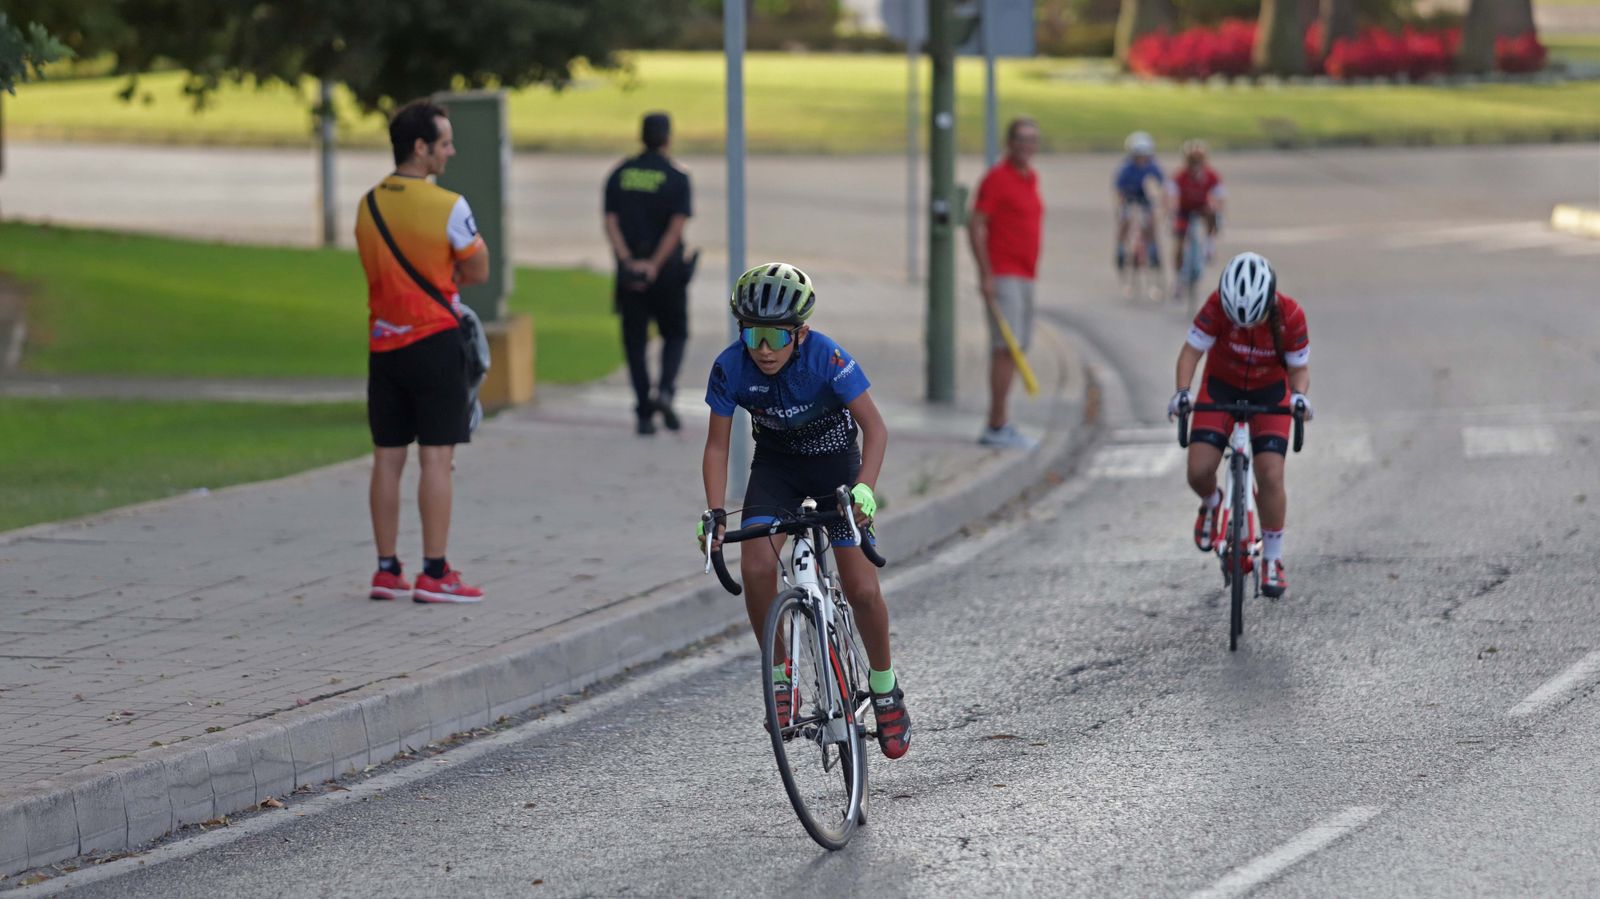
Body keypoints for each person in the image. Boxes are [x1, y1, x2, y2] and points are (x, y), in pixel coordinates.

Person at [696, 263, 912, 760]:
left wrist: (864, 491)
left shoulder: (827, 358)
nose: (764, 348)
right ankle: (780, 676)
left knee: (860, 587)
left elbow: (876, 431)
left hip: (836, 469)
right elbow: (715, 448)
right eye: (753, 334)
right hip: (777, 470)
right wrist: (714, 511)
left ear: (801, 331)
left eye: (775, 335)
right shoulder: (732, 367)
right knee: (754, 564)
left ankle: (884, 688)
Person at [355, 100, 488, 604]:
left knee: (387, 458)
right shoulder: (449, 206)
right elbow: (478, 270)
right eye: (445, 143)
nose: (450, 151)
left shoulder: (366, 204)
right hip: (434, 342)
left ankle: (387, 569)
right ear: (421, 147)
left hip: (383, 344)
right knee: (436, 458)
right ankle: (435, 572)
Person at [1167, 252, 1312, 598]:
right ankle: (1213, 502)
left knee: (1271, 475)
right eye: (1238, 320)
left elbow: (1299, 369)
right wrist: (1183, 392)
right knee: (1199, 470)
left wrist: (1299, 397)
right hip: (1221, 384)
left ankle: (1272, 559)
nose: (1246, 327)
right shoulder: (1216, 305)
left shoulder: (1290, 315)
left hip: (1270, 391)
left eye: (1255, 319)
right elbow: (1191, 352)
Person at [603, 112, 694, 436]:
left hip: (630, 274)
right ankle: (666, 391)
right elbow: (676, 225)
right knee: (676, 334)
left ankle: (643, 412)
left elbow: (611, 221)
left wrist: (628, 260)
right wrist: (655, 264)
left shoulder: (620, 173)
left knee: (635, 342)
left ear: (641, 136)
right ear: (668, 137)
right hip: (667, 272)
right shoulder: (676, 177)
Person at [967, 117, 1043, 450]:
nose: (1027, 146)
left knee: (1016, 349)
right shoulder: (997, 179)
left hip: (1026, 274)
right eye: (1022, 139)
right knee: (1005, 350)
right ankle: (996, 423)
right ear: (1010, 142)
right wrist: (985, 274)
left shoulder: (1030, 178)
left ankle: (1001, 421)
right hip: (1004, 274)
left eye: (1033, 140)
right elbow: (974, 224)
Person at [1170, 139, 1225, 290]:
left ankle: (1209, 243)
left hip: (1202, 209)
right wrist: (1172, 210)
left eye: (1198, 160)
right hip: (1184, 210)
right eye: (1192, 161)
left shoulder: (1211, 176)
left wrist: (1216, 208)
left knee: (1212, 213)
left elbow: (1220, 196)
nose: (1195, 164)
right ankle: (1179, 279)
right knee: (1179, 245)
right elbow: (1171, 197)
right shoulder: (1180, 177)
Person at [1113, 130, 1166, 278]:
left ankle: (1153, 249)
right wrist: (1120, 208)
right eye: (1138, 155)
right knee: (1125, 220)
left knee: (1150, 223)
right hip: (1129, 198)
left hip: (1145, 199)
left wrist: (1160, 203)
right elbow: (1119, 191)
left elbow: (1162, 187)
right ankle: (1121, 249)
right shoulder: (1126, 169)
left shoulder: (1152, 167)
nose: (1142, 158)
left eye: (1145, 155)